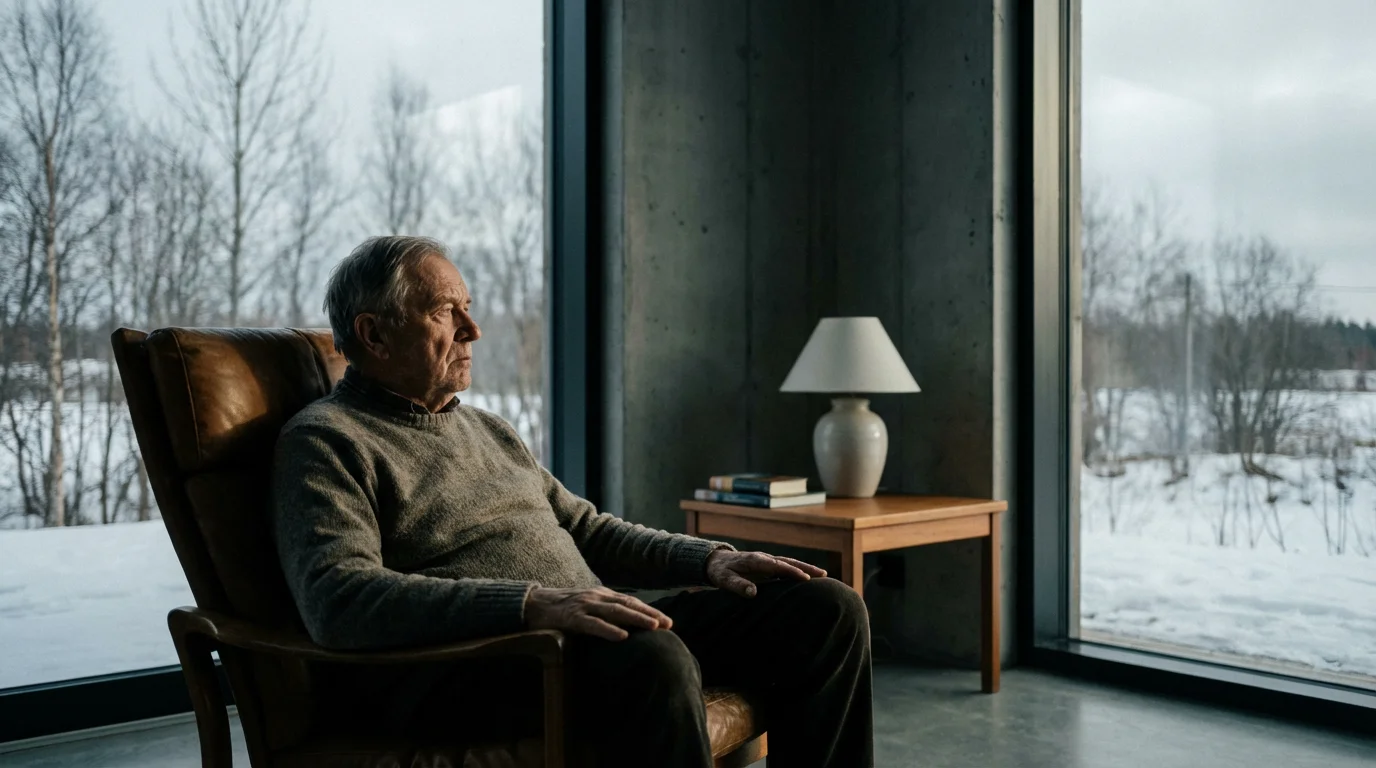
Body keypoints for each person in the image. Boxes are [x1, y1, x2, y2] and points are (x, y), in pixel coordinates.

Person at [271, 235, 872, 767]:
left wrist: (708, 560)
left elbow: (588, 530)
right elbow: (339, 599)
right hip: (485, 663)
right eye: (443, 312)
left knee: (827, 609)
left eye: (468, 310)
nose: (471, 331)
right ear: (374, 333)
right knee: (652, 656)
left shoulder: (487, 429)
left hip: (592, 638)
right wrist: (532, 605)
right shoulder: (326, 440)